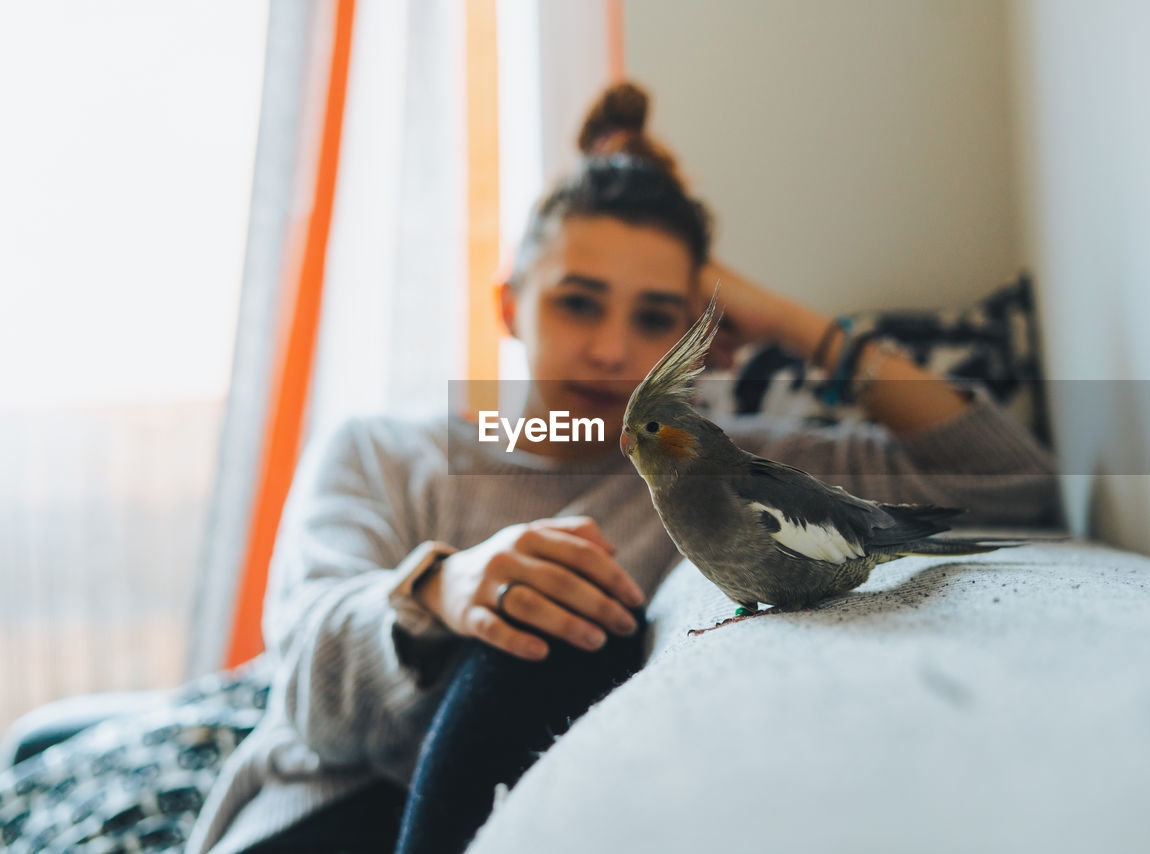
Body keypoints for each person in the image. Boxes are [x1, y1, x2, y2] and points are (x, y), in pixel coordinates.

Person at [184, 82, 1061, 854]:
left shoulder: (742, 471)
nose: (613, 351)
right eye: (577, 303)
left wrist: (795, 323)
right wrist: (445, 590)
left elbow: (1009, 484)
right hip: (333, 811)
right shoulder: (382, 451)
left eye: (656, 319)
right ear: (509, 304)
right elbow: (303, 689)